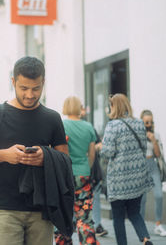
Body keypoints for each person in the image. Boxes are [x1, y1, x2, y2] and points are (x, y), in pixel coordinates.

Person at [0, 56, 69, 245]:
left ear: (43, 83)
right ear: (13, 81)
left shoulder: (52, 118)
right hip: (4, 207)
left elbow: (65, 161)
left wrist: (45, 158)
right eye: (24, 88)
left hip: (42, 207)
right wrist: (5, 155)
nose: (30, 95)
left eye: (36, 88)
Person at [100, 94, 154, 245]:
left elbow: (108, 152)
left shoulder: (112, 126)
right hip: (137, 177)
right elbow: (144, 147)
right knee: (135, 213)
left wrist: (101, 148)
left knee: (118, 217)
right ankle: (145, 238)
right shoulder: (139, 123)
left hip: (118, 180)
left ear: (114, 107)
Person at [60, 96, 99, 245]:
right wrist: (85, 168)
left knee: (64, 215)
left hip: (65, 176)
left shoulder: (61, 126)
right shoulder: (88, 127)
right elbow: (92, 154)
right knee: (85, 217)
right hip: (83, 174)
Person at [80, 106, 109, 237]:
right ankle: (78, 222)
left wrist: (93, 148)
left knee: (95, 197)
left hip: (92, 169)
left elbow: (99, 144)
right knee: (80, 199)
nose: (83, 111)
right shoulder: (66, 127)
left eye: (83, 109)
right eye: (80, 108)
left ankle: (97, 225)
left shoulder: (89, 127)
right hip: (78, 171)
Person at [139, 110, 166, 237]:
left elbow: (158, 155)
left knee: (159, 195)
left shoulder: (155, 134)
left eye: (151, 122)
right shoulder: (137, 135)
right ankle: (140, 226)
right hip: (141, 166)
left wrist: (154, 141)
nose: (149, 124)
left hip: (152, 164)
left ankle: (158, 224)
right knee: (142, 199)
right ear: (142, 122)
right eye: (146, 122)